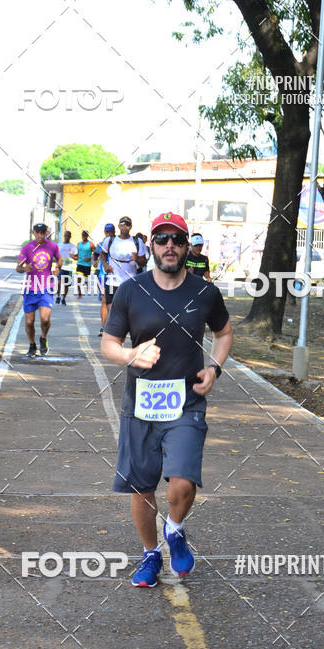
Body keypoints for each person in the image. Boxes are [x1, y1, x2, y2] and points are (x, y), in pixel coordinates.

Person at [101, 212, 233, 587]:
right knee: (141, 487)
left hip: (186, 400)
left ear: (186, 245)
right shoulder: (131, 290)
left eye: (177, 239)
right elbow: (108, 344)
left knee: (183, 483)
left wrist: (215, 368)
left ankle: (174, 529)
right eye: (162, 239)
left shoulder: (205, 292)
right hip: (140, 403)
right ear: (152, 246)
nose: (169, 245)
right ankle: (149, 556)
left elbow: (224, 333)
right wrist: (130, 355)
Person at [16, 223, 62, 358]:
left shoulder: (52, 246)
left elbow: (59, 260)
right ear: (33, 232)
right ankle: (32, 345)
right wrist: (24, 269)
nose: (40, 235)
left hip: (46, 287)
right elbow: (17, 268)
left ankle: (43, 338)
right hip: (30, 289)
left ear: (46, 232)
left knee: (45, 319)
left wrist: (57, 267)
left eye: (43, 232)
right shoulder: (27, 248)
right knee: (29, 322)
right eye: (38, 232)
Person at [100, 215, 147, 309]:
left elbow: (143, 262)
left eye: (127, 224)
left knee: (129, 313)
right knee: (112, 311)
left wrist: (137, 259)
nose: (125, 226)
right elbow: (103, 254)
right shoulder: (110, 240)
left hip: (131, 283)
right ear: (118, 226)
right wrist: (105, 265)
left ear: (131, 227)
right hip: (113, 282)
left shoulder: (137, 242)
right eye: (122, 224)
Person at [93, 222, 115, 336]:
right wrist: (94, 261)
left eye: (110, 232)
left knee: (107, 302)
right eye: (108, 232)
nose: (109, 234)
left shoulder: (107, 243)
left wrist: (95, 261)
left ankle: (106, 327)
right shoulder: (107, 243)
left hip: (109, 277)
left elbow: (95, 255)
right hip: (107, 276)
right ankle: (106, 328)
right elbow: (95, 255)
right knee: (107, 302)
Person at [56, 230, 78, 305]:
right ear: (64, 236)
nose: (66, 237)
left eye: (68, 236)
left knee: (66, 285)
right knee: (58, 283)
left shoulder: (73, 247)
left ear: (70, 237)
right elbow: (56, 256)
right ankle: (58, 296)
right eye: (65, 235)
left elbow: (77, 257)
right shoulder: (59, 245)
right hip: (61, 267)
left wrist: (73, 256)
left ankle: (63, 298)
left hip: (69, 268)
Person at [76, 230, 95, 299]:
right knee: (78, 279)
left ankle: (89, 289)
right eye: (83, 235)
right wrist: (75, 256)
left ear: (87, 236)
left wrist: (90, 258)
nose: (84, 236)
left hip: (87, 265)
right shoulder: (79, 244)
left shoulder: (91, 244)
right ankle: (79, 293)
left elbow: (96, 254)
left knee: (86, 280)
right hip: (79, 263)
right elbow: (76, 253)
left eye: (85, 235)